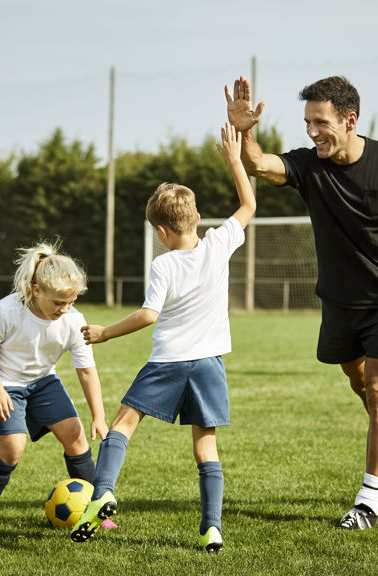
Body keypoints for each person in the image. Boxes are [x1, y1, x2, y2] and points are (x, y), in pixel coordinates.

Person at [224, 75, 378, 530]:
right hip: (340, 300)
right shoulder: (311, 166)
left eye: (320, 122)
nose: (311, 132)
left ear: (349, 120)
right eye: (307, 122)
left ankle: (368, 501)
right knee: (358, 377)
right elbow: (260, 165)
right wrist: (245, 130)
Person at [70, 122, 256, 553]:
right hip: (209, 363)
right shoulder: (218, 244)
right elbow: (248, 203)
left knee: (122, 424)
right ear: (195, 218)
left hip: (169, 361)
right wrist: (233, 158)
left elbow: (149, 315)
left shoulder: (163, 265)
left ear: (161, 231)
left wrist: (104, 333)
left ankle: (103, 494)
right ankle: (212, 528)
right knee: (205, 446)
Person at [0, 241, 110, 530]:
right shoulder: (7, 310)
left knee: (76, 436)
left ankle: (92, 510)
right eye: (59, 302)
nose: (65, 309)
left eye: (71, 301)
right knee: (13, 448)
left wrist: (99, 416)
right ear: (36, 290)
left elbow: (86, 370)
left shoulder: (74, 320)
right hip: (3, 381)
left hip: (43, 381)